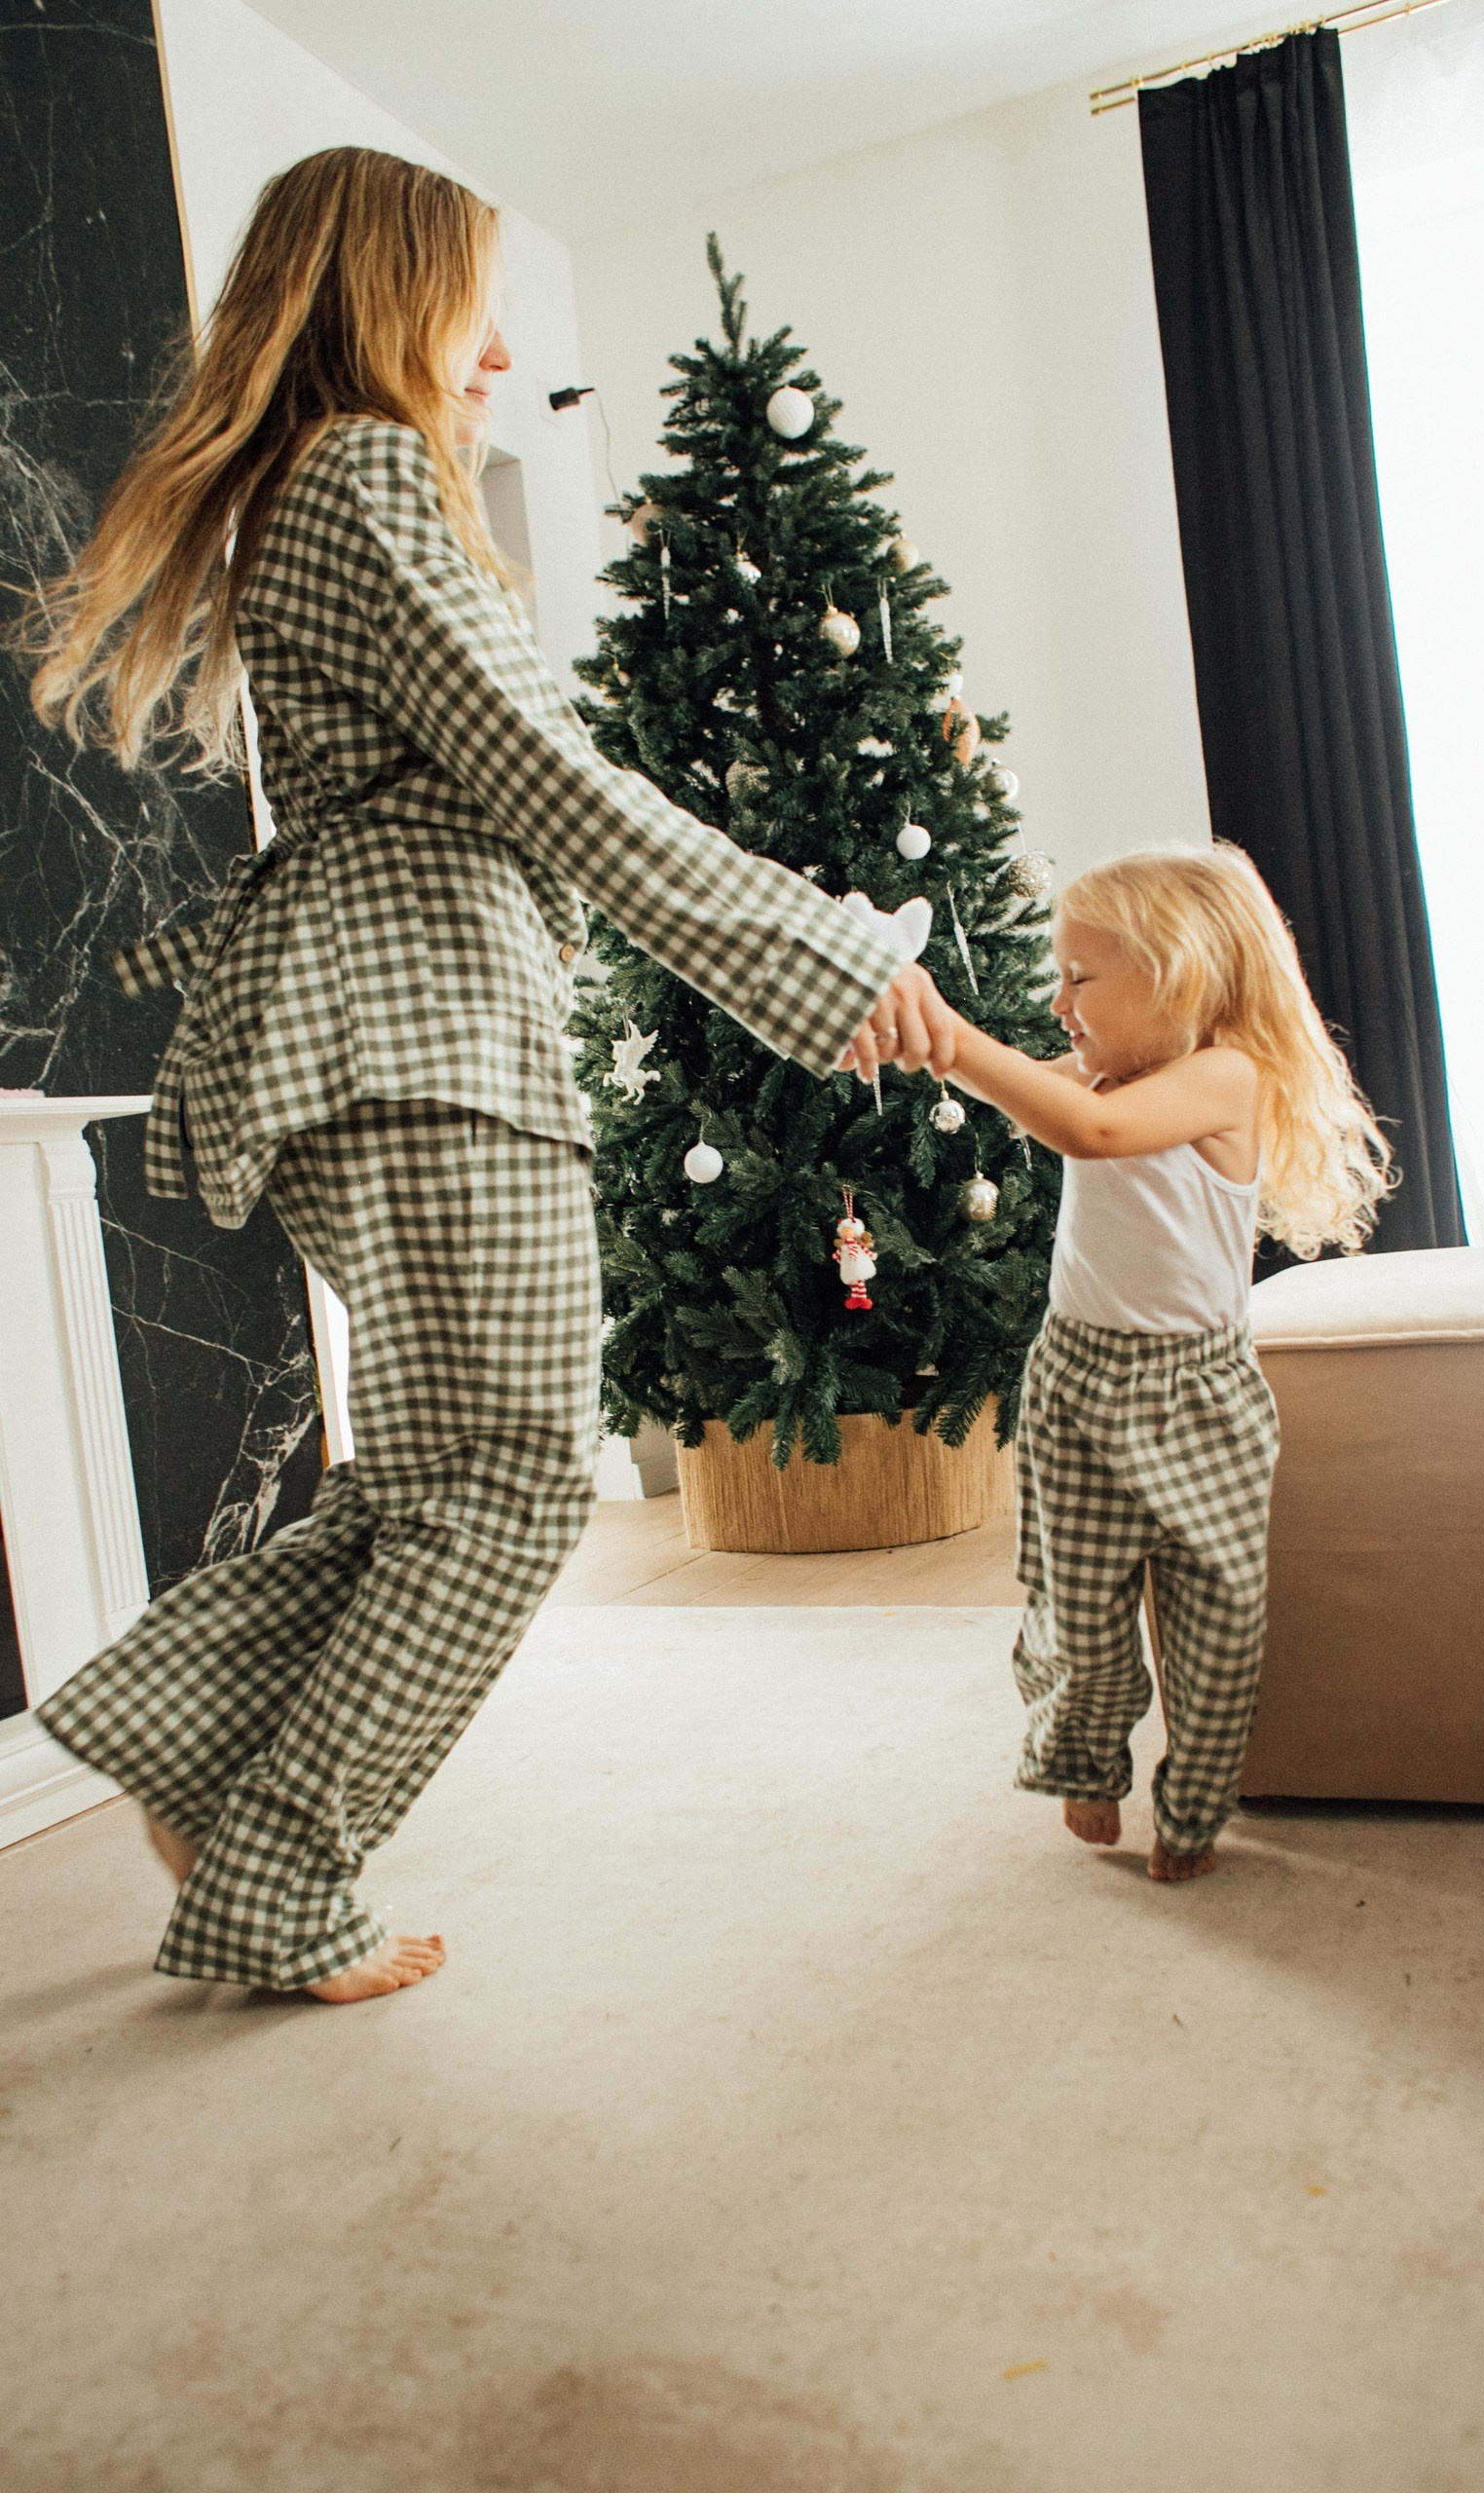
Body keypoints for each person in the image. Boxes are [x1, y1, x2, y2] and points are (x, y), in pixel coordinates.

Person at [20, 146, 948, 2002]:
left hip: (386, 1025)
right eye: (472, 310)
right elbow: (554, 786)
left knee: (439, 1468)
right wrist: (820, 950)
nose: (500, 354)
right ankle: (283, 1868)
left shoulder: (327, 489)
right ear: (387, 298)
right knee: (520, 1476)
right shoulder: (360, 473)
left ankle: (181, 1728)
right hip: (413, 1029)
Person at [933, 845, 1392, 1881]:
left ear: (1176, 973)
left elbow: (1093, 1132)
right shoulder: (1105, 1065)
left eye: (1080, 977)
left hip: (1198, 1398)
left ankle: (1193, 1799)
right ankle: (1087, 1760)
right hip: (1081, 1384)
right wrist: (921, 1042)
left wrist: (957, 1043)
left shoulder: (1223, 1077)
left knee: (1216, 1623)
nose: (1060, 1001)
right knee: (1079, 1611)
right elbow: (1037, 1090)